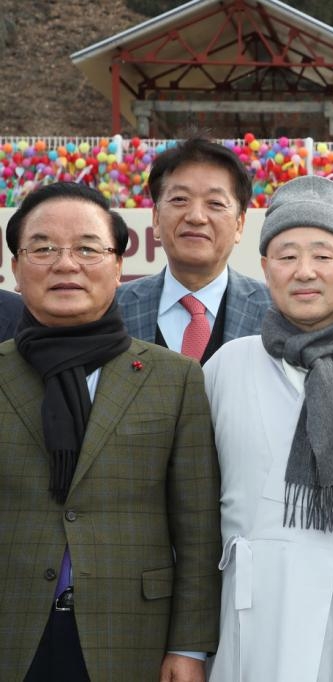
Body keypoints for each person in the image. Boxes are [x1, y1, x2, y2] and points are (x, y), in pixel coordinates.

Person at [0, 182, 221, 681]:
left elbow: (197, 528)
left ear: (119, 266)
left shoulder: (174, 378)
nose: (66, 264)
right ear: (16, 267)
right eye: (43, 248)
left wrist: (189, 647)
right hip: (11, 628)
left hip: (131, 634)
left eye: (87, 249)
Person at [205, 175, 333, 682]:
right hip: (250, 613)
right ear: (265, 267)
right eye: (286, 256)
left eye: (323, 255)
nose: (304, 271)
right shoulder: (226, 365)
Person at [117, 137, 271, 363]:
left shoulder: (274, 310)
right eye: (180, 199)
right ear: (156, 218)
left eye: (215, 203)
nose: (196, 217)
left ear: (239, 224)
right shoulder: (114, 307)